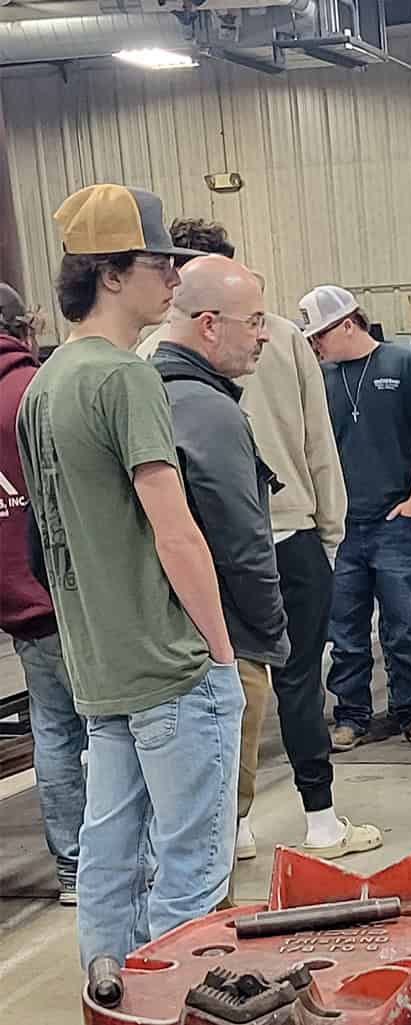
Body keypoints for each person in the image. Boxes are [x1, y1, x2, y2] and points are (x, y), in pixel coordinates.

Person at [17, 184, 244, 965]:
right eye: (159, 264)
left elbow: (47, 541)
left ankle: (108, 995)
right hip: (169, 663)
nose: (175, 278)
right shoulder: (126, 378)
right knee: (192, 870)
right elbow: (175, 530)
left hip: (101, 665)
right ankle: (171, 1002)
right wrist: (221, 654)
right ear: (110, 273)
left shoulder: (45, 384)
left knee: (109, 853)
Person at [139, 219, 377, 861]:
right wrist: (331, 531)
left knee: (230, 686)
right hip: (290, 534)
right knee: (299, 682)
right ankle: (320, 820)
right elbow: (319, 441)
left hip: (210, 546)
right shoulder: (284, 337)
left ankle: (234, 825)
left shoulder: (152, 351)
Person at [299, 284, 411, 752]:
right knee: (346, 630)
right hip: (342, 526)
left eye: (319, 336)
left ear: (347, 325)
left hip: (395, 519)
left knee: (405, 624)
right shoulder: (319, 379)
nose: (315, 345)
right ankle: (352, 715)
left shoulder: (403, 365)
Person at [0, 283, 85, 907]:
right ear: (21, 327)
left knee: (52, 733)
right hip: (68, 591)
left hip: (14, 601)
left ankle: (73, 868)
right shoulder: (36, 390)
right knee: (110, 732)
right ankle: (117, 864)